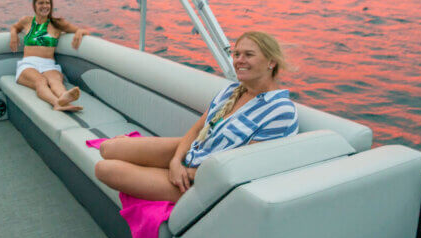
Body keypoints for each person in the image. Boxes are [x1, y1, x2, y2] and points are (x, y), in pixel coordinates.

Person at [95, 31, 299, 202]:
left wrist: (185, 174)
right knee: (108, 148)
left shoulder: (280, 111)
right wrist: (176, 160)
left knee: (104, 169)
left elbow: (242, 166)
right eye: (236, 54)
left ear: (271, 62)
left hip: (208, 182)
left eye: (248, 55)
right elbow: (196, 130)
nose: (239, 60)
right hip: (194, 153)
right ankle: (157, 165)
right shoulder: (232, 91)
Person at [9, 0, 89, 112]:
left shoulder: (57, 24)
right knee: (41, 81)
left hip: (48, 64)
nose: (45, 6)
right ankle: (56, 103)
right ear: (34, 5)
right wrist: (13, 34)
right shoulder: (27, 21)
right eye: (41, 3)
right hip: (28, 64)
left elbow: (81, 30)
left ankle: (64, 97)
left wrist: (79, 33)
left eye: (48, 3)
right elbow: (14, 27)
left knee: (55, 81)